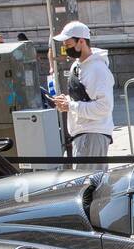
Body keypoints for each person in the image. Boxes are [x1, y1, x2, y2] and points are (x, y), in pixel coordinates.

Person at [48, 20, 115, 168]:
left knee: (87, 183)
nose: (65, 48)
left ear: (81, 42)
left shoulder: (97, 69)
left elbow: (104, 107)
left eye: (68, 44)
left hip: (93, 133)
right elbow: (82, 97)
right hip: (84, 133)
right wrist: (66, 102)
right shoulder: (77, 66)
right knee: (86, 182)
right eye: (64, 45)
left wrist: (70, 105)